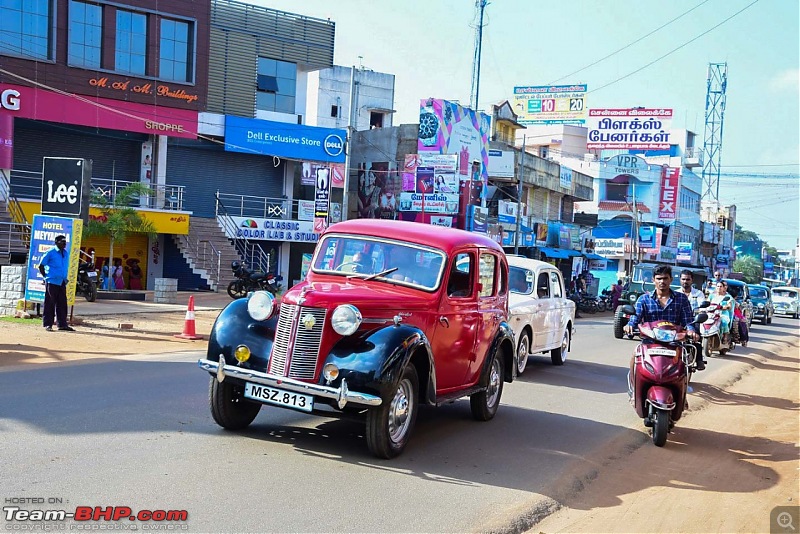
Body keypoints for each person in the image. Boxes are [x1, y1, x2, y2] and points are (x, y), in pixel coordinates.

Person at [624, 264, 699, 342]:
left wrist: (691, 331)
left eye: (665, 278)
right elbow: (635, 318)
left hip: (674, 342)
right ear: (653, 280)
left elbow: (688, 321)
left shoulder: (682, 298)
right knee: (637, 353)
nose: (662, 281)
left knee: (693, 350)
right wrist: (630, 325)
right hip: (650, 341)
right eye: (659, 279)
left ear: (671, 279)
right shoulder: (643, 299)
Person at [37, 235, 75, 332]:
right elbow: (41, 266)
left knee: (62, 303)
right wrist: (46, 277)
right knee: (50, 303)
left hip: (62, 282)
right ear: (56, 242)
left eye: (65, 242)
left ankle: (62, 324)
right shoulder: (50, 252)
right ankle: (48, 324)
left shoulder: (65, 253)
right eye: (62, 241)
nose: (64, 243)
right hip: (52, 281)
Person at [678, 270, 708, 370]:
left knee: (696, 338)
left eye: (687, 279)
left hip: (692, 321)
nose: (685, 281)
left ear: (692, 280)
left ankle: (699, 360)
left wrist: (701, 312)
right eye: (683, 279)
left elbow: (702, 307)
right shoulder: (676, 293)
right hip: (677, 322)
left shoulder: (698, 294)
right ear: (680, 280)